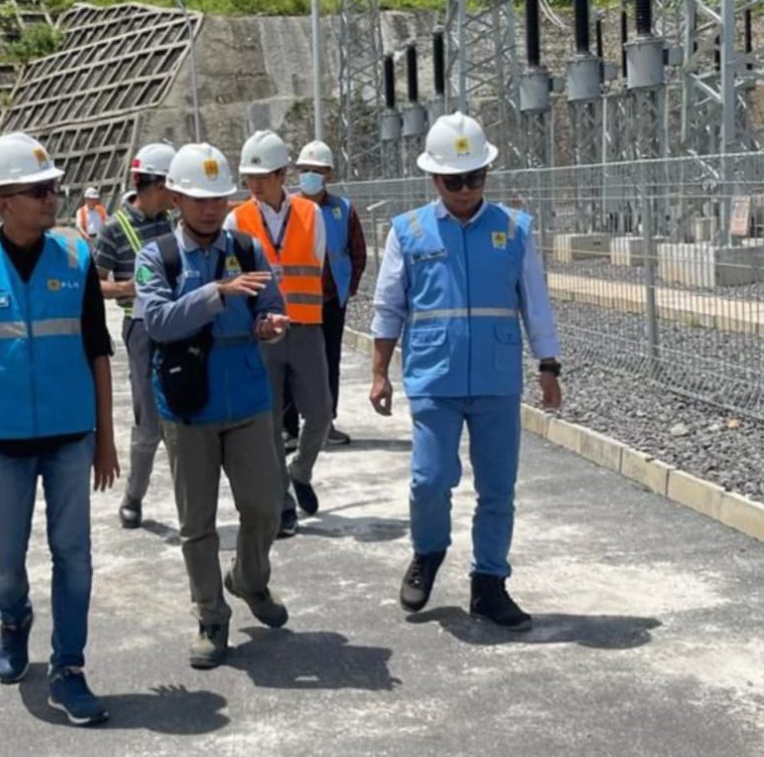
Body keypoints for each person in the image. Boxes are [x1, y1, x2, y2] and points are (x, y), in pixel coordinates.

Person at [0, 131, 118, 724]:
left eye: (53, 189)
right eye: (39, 190)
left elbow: (97, 350)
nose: (51, 199)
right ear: (2, 199)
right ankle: (13, 620)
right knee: (2, 557)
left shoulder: (77, 260)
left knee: (74, 554)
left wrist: (106, 437)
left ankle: (69, 667)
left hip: (70, 438)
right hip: (2, 443)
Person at [369, 112, 562, 631]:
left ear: (487, 175)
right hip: (434, 376)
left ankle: (489, 583)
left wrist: (548, 364)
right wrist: (380, 370)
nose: (464, 189)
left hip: (497, 379)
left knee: (498, 487)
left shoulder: (515, 229)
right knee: (430, 481)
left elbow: (535, 304)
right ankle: (428, 553)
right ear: (434, 178)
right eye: (454, 180)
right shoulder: (407, 231)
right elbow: (389, 306)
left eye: (474, 177)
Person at [134, 143, 290, 670]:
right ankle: (211, 614)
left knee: (265, 506)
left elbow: (271, 306)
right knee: (196, 523)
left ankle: (249, 579)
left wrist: (268, 327)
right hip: (187, 405)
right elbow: (157, 321)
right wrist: (217, 295)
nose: (210, 208)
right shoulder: (159, 257)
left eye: (218, 198)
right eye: (198, 199)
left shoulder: (248, 249)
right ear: (175, 197)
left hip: (248, 398)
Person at [227, 130, 331, 537]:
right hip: (263, 332)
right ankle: (282, 501)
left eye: (263, 176)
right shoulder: (239, 219)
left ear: (282, 173)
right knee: (268, 421)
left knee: (320, 412)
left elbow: (316, 265)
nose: (254, 185)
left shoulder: (310, 213)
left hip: (305, 328)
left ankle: (300, 469)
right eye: (249, 177)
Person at [93, 141, 176, 529]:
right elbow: (94, 286)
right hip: (142, 330)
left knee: (186, 417)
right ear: (157, 185)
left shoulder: (171, 222)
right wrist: (129, 288)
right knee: (149, 421)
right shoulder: (114, 230)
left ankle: (191, 500)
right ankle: (133, 496)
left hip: (178, 322)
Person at [293, 139, 368, 445]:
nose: (310, 175)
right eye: (305, 170)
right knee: (292, 364)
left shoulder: (343, 210)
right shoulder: (288, 208)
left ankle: (326, 423)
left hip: (330, 299)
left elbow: (357, 252)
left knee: (328, 361)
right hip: (295, 301)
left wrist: (347, 288)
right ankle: (290, 427)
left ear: (329, 175)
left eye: (317, 170)